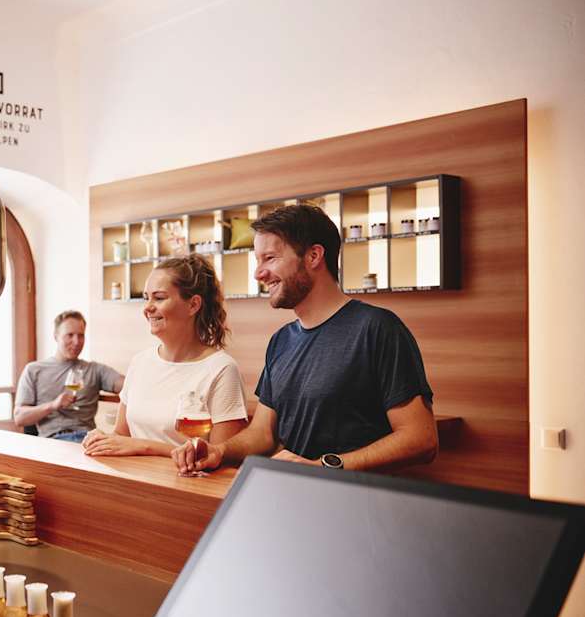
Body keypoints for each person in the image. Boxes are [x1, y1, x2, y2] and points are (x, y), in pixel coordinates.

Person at [175, 204, 438, 475]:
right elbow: (263, 434)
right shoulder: (281, 341)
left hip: (358, 504)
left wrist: (324, 466)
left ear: (313, 256)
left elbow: (421, 439)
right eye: (258, 261)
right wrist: (220, 451)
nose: (258, 273)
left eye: (270, 258)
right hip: (296, 497)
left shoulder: (378, 329)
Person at [83, 255, 248, 457]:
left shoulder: (221, 369)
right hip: (133, 480)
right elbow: (122, 435)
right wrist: (102, 439)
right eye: (146, 298)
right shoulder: (140, 362)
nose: (148, 307)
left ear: (193, 305)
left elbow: (221, 457)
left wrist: (144, 446)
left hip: (188, 485)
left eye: (159, 298)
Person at [13, 310, 124, 442]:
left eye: (81, 335)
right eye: (69, 335)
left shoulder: (95, 369)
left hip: (88, 440)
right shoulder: (34, 370)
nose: (76, 342)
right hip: (52, 441)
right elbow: (20, 418)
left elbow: (127, 385)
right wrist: (53, 405)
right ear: (56, 336)